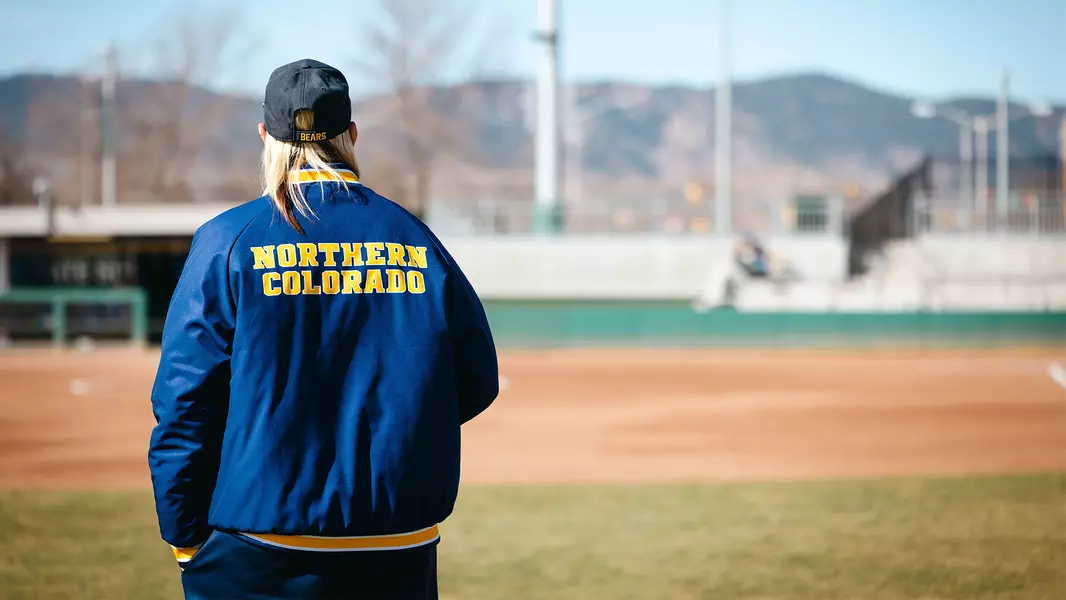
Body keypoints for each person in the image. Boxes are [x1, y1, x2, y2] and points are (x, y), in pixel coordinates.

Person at [148, 58, 499, 600]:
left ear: (264, 135)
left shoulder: (229, 241)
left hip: (256, 545)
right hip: (398, 543)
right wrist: (392, 433)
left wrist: (185, 538)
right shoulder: (413, 238)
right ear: (352, 134)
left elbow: (184, 402)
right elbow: (476, 378)